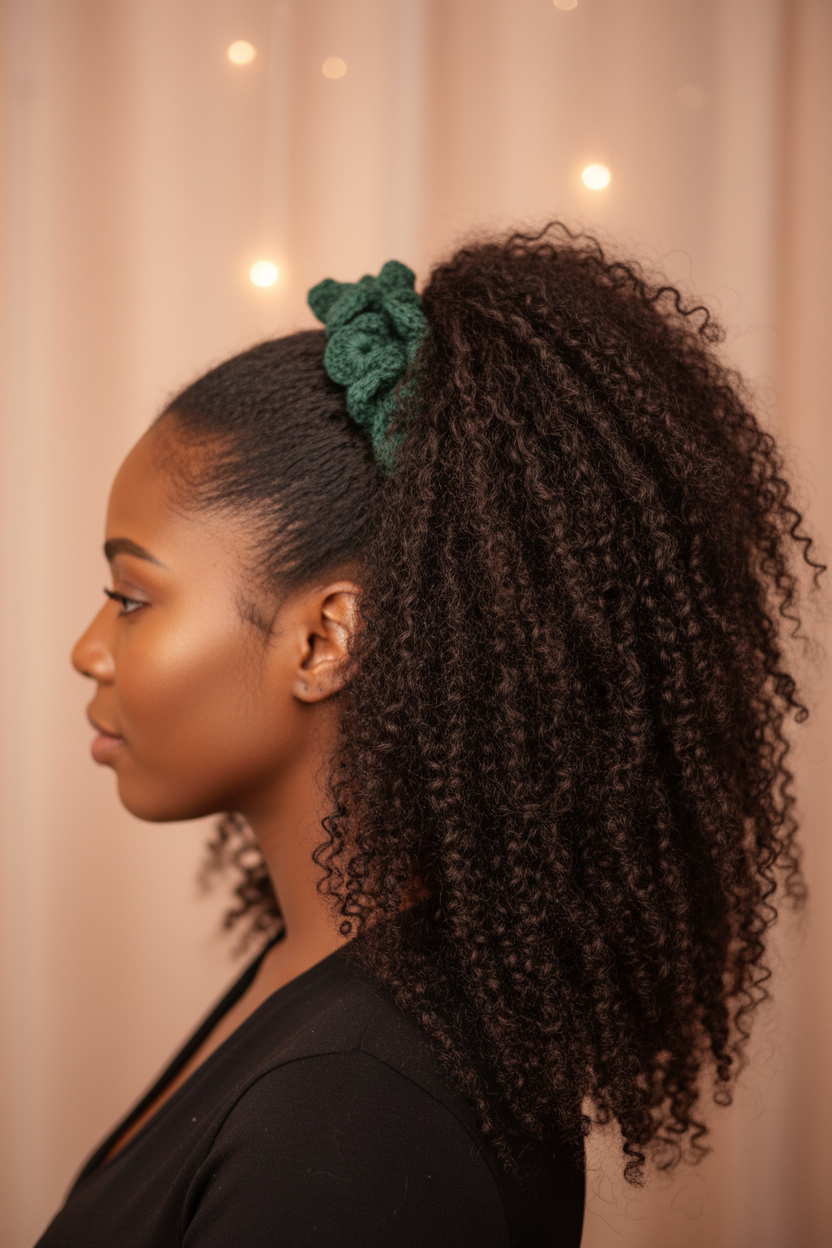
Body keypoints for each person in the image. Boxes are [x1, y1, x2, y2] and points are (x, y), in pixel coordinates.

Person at [38, 223, 821, 1246]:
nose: (87, 650)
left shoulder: (354, 1119)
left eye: (130, 596)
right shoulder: (328, 989)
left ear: (324, 641)